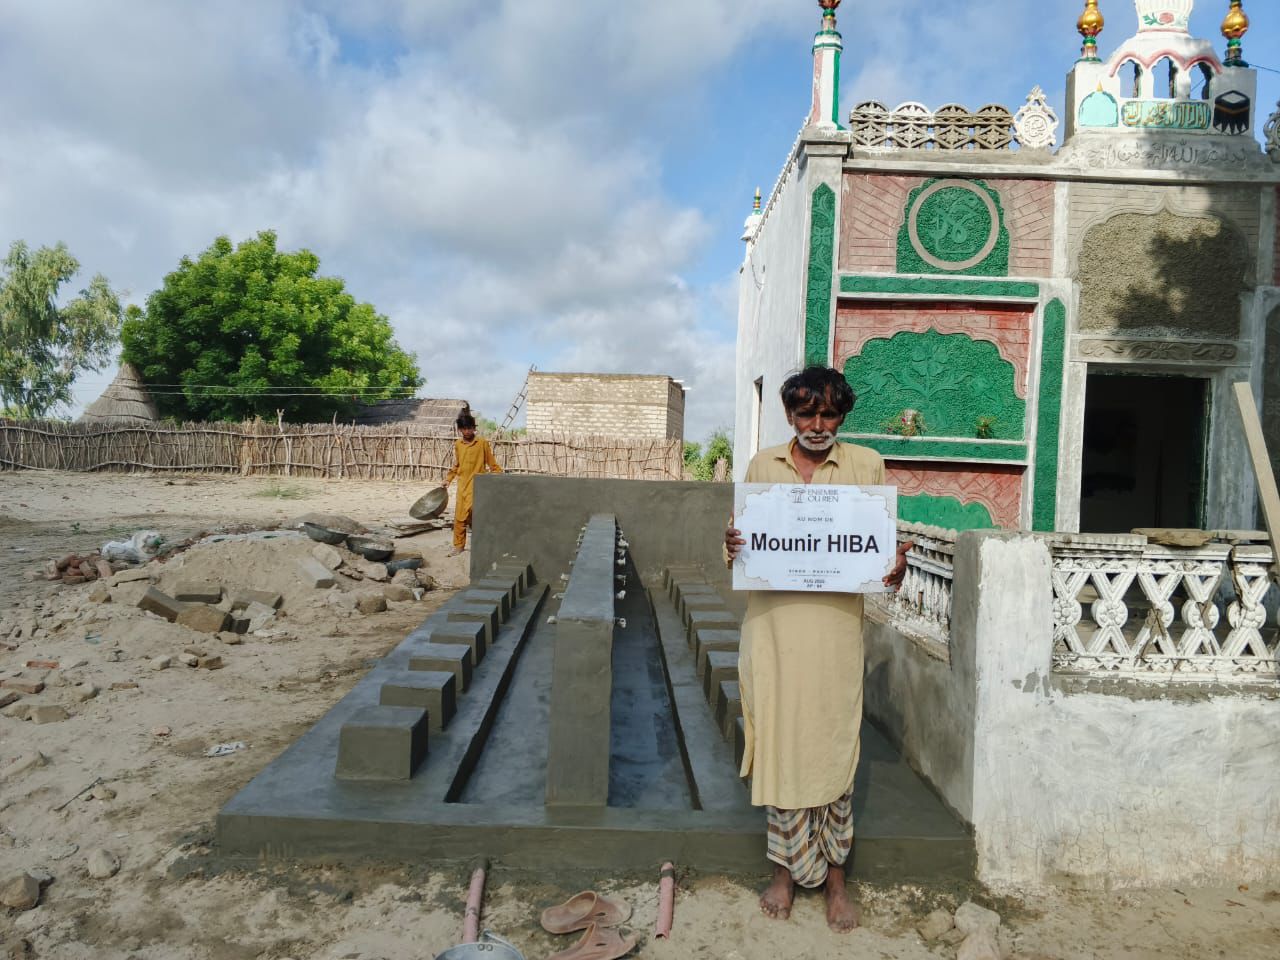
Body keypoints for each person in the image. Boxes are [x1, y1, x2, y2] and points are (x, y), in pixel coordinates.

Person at [724, 366, 911, 933]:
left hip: (833, 632)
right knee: (781, 741)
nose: (818, 425)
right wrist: (734, 544)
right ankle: (782, 873)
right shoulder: (763, 467)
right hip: (775, 627)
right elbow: (748, 544)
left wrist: (893, 567)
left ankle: (835, 880)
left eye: (830, 414)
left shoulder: (867, 467)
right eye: (807, 413)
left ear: (842, 417)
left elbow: (877, 558)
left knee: (832, 748)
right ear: (789, 416)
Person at [444, 413, 503, 556]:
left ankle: (480, 546)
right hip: (462, 485)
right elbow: (457, 465)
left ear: (474, 428)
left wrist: (496, 478)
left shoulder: (482, 443)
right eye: (464, 429)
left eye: (469, 428)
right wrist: (448, 479)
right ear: (460, 430)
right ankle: (458, 546)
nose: (467, 432)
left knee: (475, 515)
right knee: (459, 517)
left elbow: (493, 464)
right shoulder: (458, 444)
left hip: (477, 485)